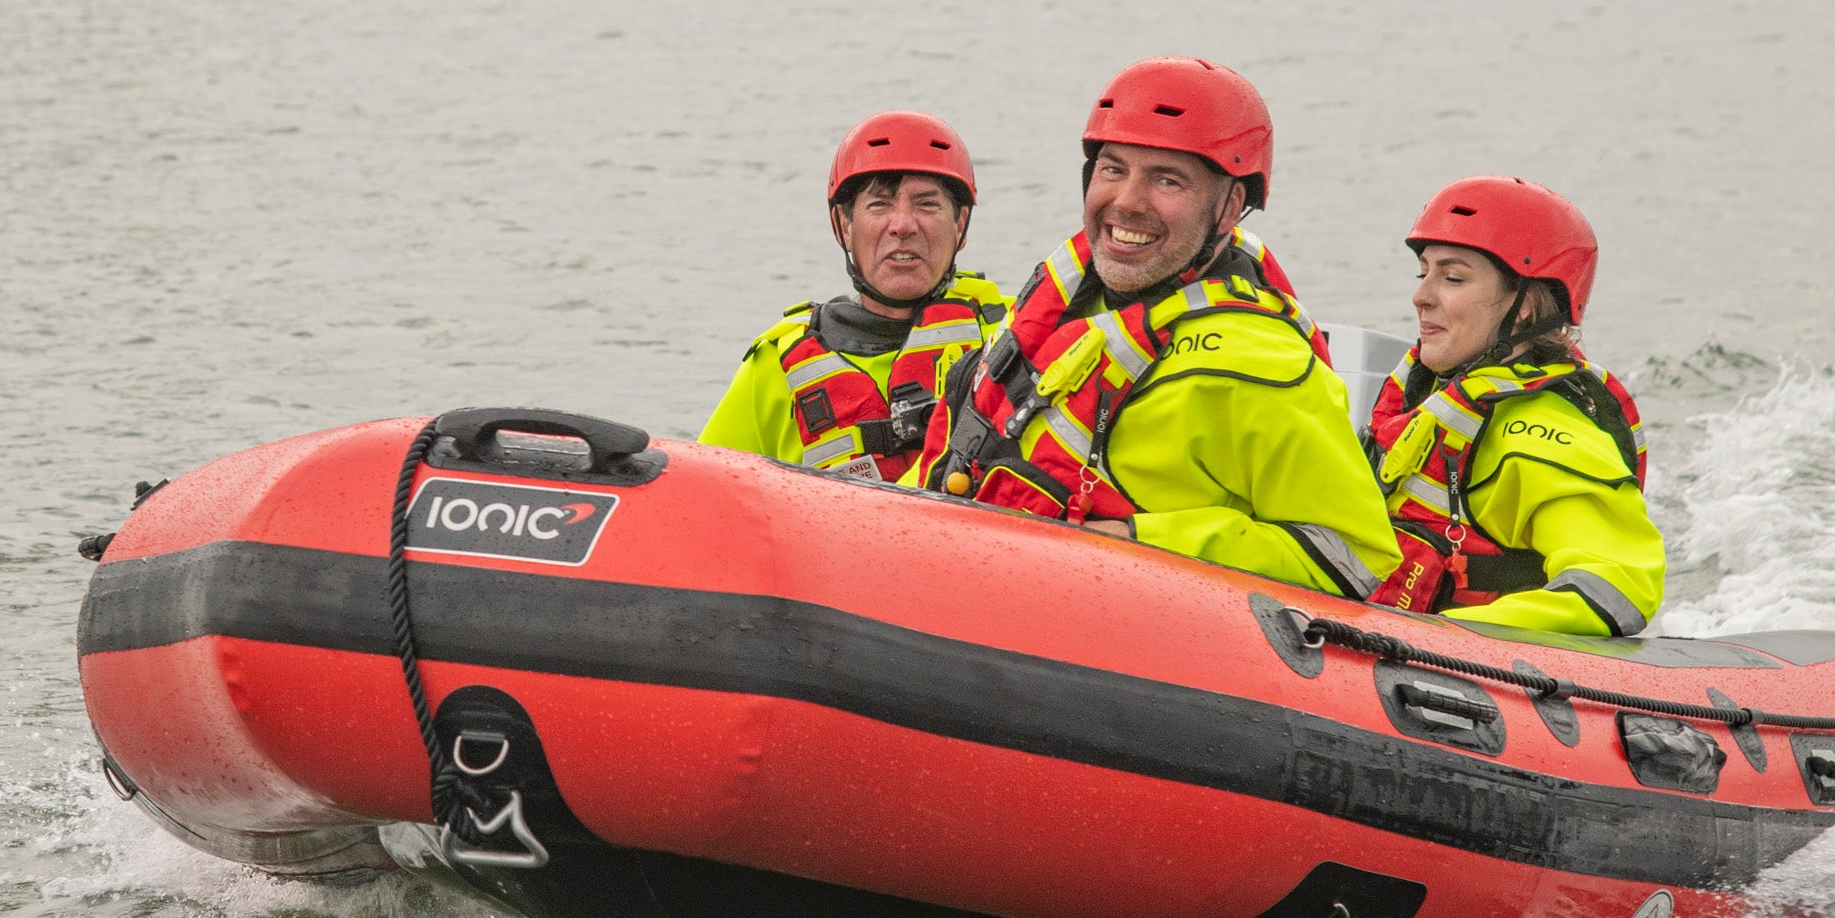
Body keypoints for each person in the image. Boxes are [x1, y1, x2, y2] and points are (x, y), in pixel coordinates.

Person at [914, 58, 1396, 600]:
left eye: (1168, 180)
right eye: (1113, 169)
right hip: (967, 587)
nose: (1127, 202)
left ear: (1231, 205)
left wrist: (1138, 540)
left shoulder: (1262, 365)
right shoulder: (1068, 296)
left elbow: (1354, 557)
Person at [1364, 177, 1666, 637]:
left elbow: (1617, 584)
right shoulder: (1426, 399)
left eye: (1453, 277)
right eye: (1423, 272)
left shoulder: (1540, 435)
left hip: (1453, 674)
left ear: (1523, 306)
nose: (1421, 296)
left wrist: (1431, 638)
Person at [698, 112, 1011, 481]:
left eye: (927, 204)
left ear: (960, 225)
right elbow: (703, 495)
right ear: (844, 226)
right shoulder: (774, 366)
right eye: (879, 205)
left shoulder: (1013, 336)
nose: (903, 225)